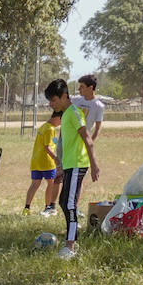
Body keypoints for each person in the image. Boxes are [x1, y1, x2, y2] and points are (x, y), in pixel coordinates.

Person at [45, 78, 100, 259]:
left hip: (78, 164)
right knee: (62, 202)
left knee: (69, 205)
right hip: (69, 165)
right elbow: (65, 143)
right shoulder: (65, 113)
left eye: (54, 100)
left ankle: (71, 246)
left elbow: (88, 139)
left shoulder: (75, 113)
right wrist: (61, 166)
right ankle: (70, 239)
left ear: (64, 96)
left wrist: (94, 165)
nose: (52, 104)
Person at [24, 109, 62, 215]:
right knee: (52, 183)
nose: (61, 124)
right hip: (47, 162)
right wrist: (56, 158)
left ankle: (26, 208)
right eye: (61, 121)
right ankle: (48, 207)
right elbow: (47, 147)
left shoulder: (43, 126)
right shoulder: (50, 129)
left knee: (35, 183)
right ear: (57, 118)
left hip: (36, 160)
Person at [71, 74, 105, 142]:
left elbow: (98, 128)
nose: (79, 89)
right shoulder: (74, 100)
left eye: (82, 87)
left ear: (90, 88)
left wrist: (90, 143)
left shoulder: (99, 106)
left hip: (82, 141)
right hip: (69, 138)